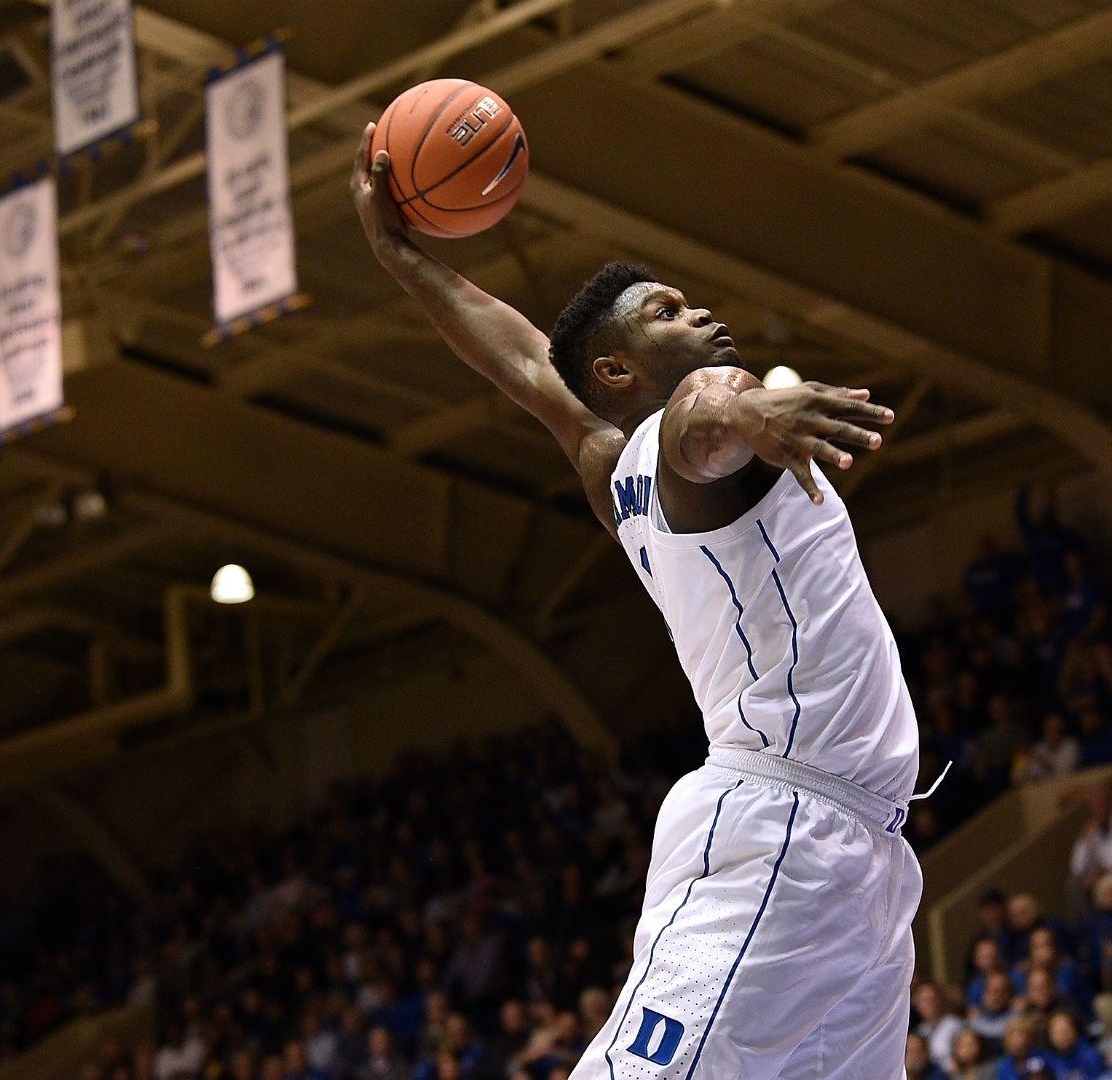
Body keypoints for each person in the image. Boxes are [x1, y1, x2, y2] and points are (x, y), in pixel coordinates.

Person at [355, 127, 921, 1077]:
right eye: (668, 311)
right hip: (778, 826)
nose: (699, 315)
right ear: (620, 372)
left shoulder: (608, 459)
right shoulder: (689, 436)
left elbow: (528, 364)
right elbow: (703, 416)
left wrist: (397, 256)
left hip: (861, 853)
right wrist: (749, 409)